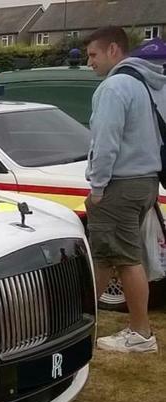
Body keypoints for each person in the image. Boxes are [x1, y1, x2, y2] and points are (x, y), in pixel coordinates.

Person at [84, 26, 165, 353]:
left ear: (113, 50)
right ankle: (79, 318)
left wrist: (98, 187)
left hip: (120, 182)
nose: (89, 62)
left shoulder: (114, 87)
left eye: (93, 55)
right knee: (108, 257)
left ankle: (141, 333)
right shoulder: (145, 83)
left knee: (123, 258)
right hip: (146, 180)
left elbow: (106, 142)